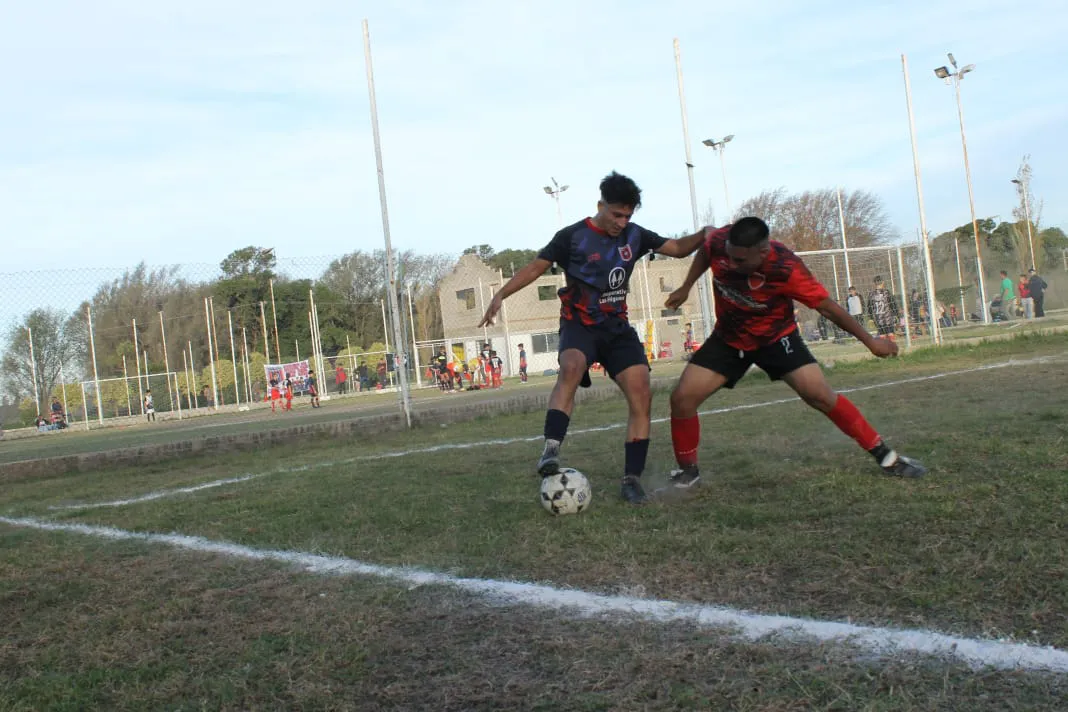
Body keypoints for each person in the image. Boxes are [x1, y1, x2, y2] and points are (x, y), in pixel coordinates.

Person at [478, 171, 707, 504]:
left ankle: (631, 480)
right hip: (579, 325)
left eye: (628, 215)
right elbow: (534, 268)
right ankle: (551, 450)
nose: (622, 221)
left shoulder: (636, 236)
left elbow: (677, 248)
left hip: (616, 328)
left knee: (641, 389)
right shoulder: (571, 237)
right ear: (600, 205)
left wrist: (706, 234)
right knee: (571, 365)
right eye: (617, 214)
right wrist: (501, 294)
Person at [662, 217, 927, 493]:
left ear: (762, 252)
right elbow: (707, 244)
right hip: (729, 338)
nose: (732, 265)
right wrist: (686, 285)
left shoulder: (786, 268)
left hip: (777, 338)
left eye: (740, 260)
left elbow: (826, 307)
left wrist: (870, 341)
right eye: (729, 257)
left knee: (820, 395)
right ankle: (688, 472)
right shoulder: (722, 243)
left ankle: (886, 456)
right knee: (682, 399)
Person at [867, 276, 898, 341]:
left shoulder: (871, 294)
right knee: (890, 333)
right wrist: (896, 314)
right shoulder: (887, 292)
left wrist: (871, 317)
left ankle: (885, 349)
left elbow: (869, 307)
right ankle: (892, 347)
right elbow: (893, 304)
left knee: (882, 334)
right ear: (883, 283)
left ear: (874, 284)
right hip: (888, 317)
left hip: (878, 318)